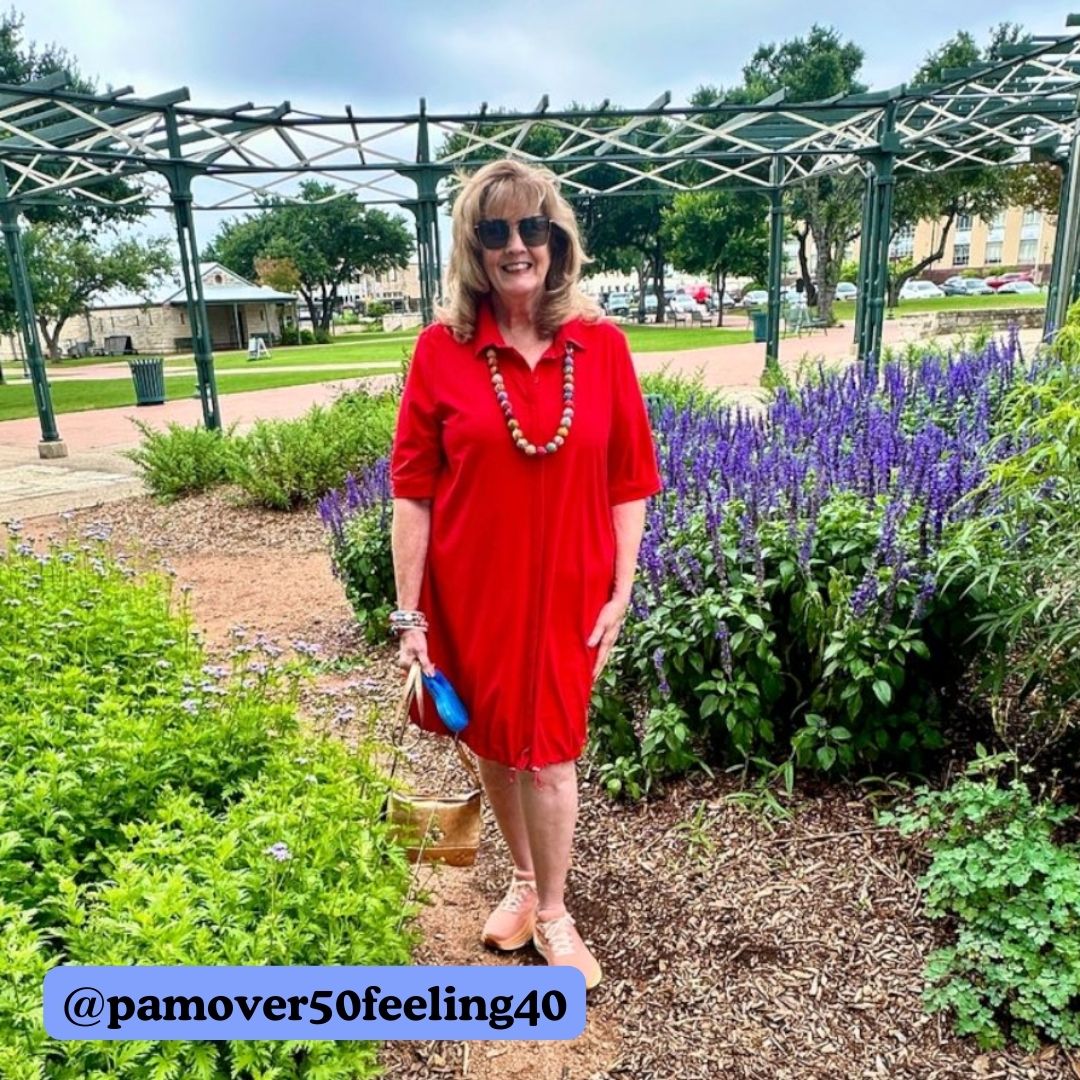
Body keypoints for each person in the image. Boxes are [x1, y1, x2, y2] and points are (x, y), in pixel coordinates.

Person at [389, 159, 661, 990]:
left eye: (532, 227)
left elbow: (630, 480)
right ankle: (521, 878)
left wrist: (621, 592)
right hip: (472, 593)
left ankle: (553, 912)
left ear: (558, 240)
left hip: (571, 592)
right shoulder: (440, 352)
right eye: (495, 230)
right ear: (472, 247)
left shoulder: (601, 347)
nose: (517, 245)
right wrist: (410, 616)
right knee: (496, 744)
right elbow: (413, 491)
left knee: (548, 754)